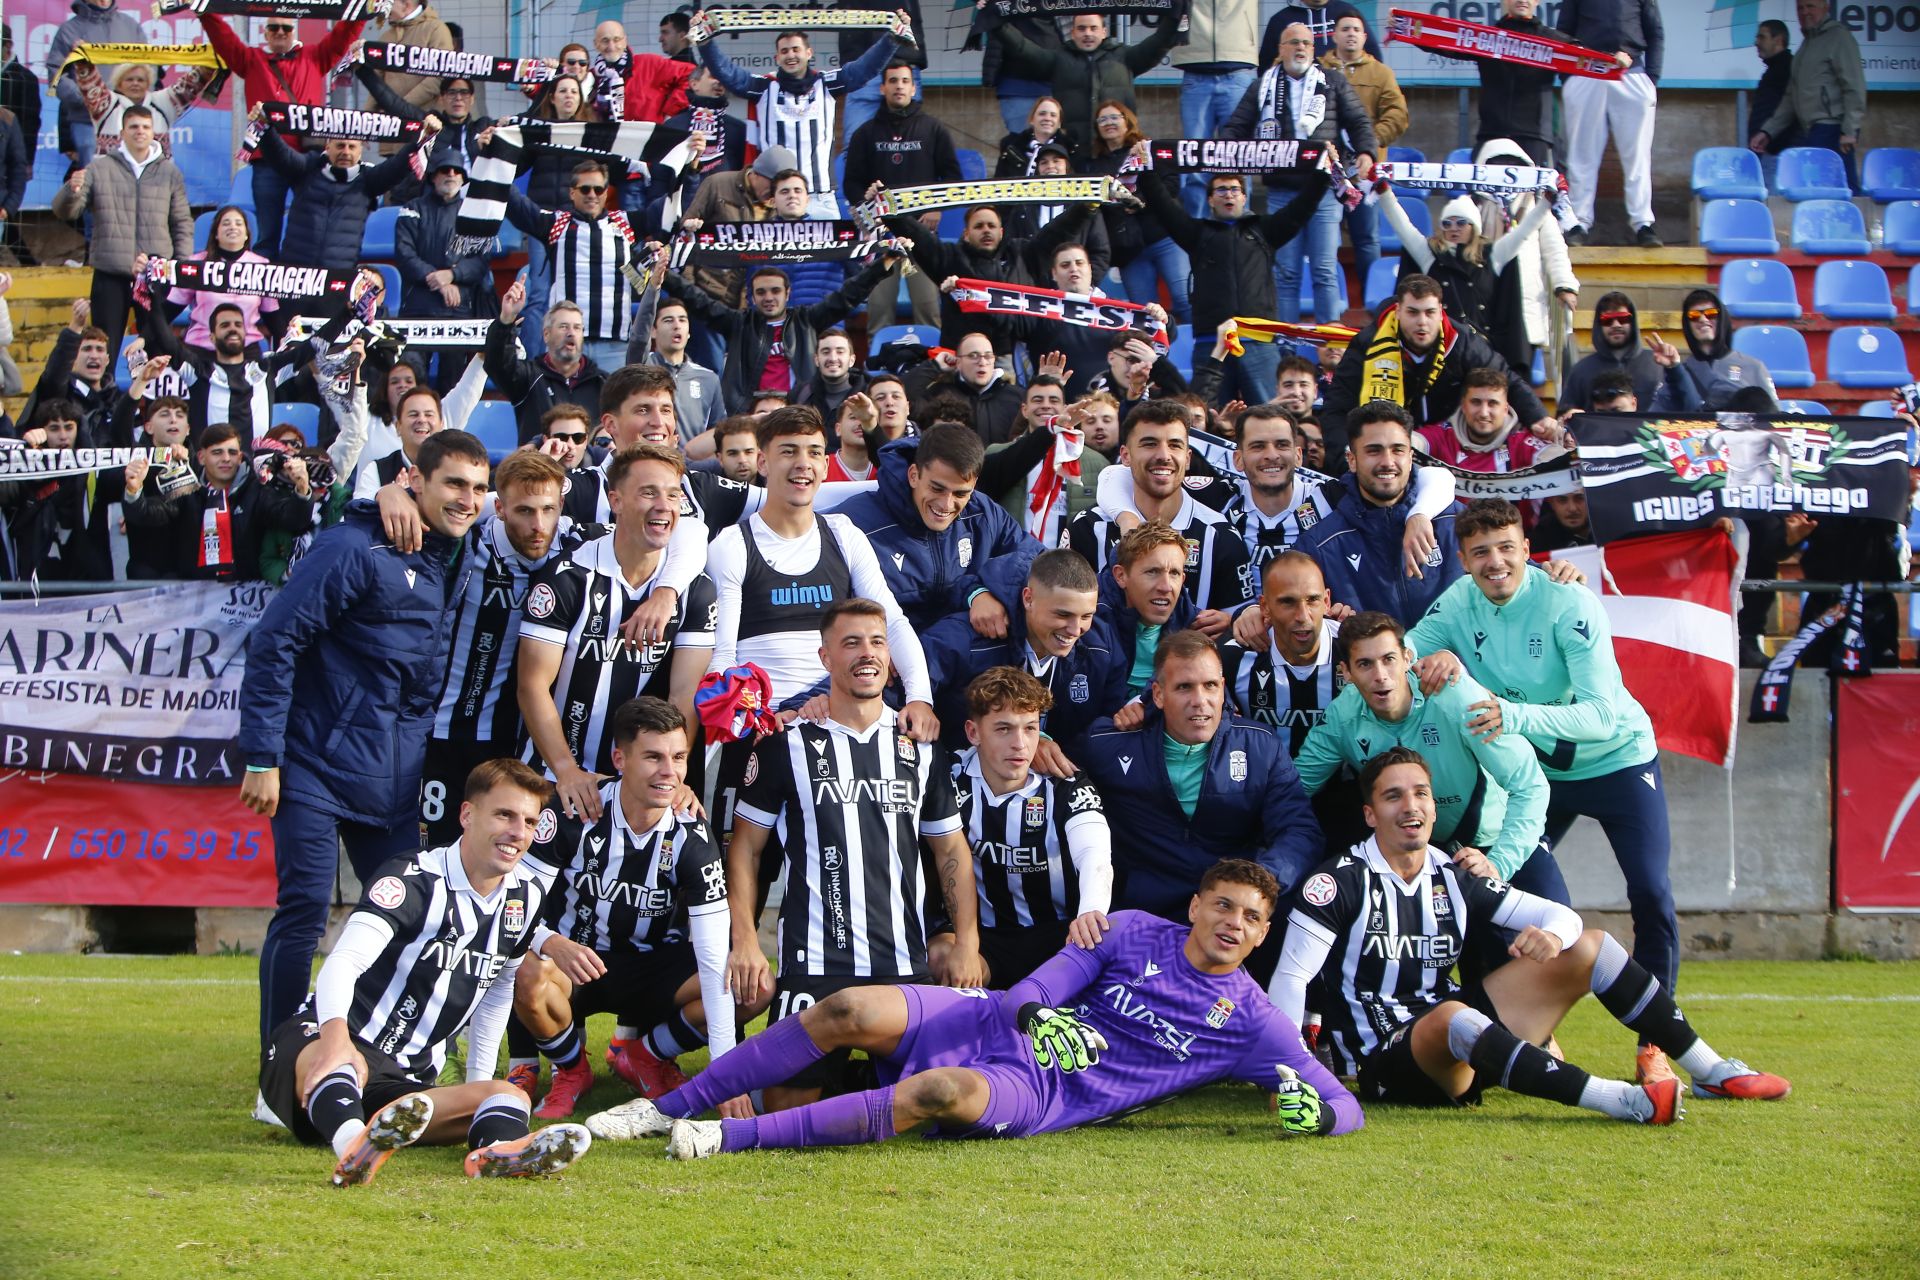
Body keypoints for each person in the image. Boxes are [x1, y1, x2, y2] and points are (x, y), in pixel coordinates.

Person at [586, 857, 1360, 1155]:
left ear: (1262, 937)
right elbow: (1037, 989)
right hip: (990, 1019)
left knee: (935, 1095)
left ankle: (726, 1141)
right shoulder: (1130, 930)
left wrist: (1315, 1113)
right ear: (1195, 906)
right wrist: (1035, 1017)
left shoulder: (1254, 1020)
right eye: (1223, 906)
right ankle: (664, 1108)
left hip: (1043, 1090)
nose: (1234, 924)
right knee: (846, 1008)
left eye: (1252, 918)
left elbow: (1341, 1105)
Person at [1269, 748, 1790, 1119]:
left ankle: (1711, 1071)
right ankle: (1620, 1100)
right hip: (1386, 1059)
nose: (1412, 807)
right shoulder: (1335, 882)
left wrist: (1554, 938)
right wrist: (1288, 1076)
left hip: (1465, 1036)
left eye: (1421, 794)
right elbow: (1292, 979)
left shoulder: (1454, 874)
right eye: (1393, 796)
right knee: (1454, 1016)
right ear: (1370, 813)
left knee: (1593, 948)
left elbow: (1564, 920)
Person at [1407, 499, 1681, 1081]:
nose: (1495, 562)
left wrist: (1512, 715)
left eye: (1507, 548)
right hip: (1539, 776)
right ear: (1462, 559)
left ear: (1529, 551)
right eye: (1480, 552)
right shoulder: (1459, 601)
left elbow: (1603, 716)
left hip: (1617, 762)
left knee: (1652, 891)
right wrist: (1435, 659)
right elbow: (1403, 653)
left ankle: (1653, 1043)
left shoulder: (1568, 599)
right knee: (1490, 886)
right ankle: (1522, 1031)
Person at [239, 430, 488, 1049]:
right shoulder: (354, 546)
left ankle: (382, 1050)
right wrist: (262, 756)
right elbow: (275, 641)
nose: (468, 499)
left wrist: (382, 494)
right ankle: (280, 1066)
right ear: (417, 480)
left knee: (406, 916)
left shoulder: (456, 546)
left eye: (479, 488)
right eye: (454, 483)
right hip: (313, 763)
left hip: (394, 775)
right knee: (303, 912)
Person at [257, 757, 593, 1185]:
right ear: (467, 815)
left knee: (508, 1096)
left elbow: (494, 997)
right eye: (504, 815)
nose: (517, 832)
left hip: (404, 1085)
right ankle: (353, 1147)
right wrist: (335, 1042)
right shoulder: (411, 878)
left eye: (528, 821)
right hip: (322, 1044)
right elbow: (342, 963)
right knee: (339, 1068)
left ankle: (497, 1153)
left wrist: (475, 1087)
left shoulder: (523, 900)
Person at [722, 597, 982, 1111]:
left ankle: (855, 1079)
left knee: (942, 1105)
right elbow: (745, 849)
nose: (867, 654)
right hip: (815, 964)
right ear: (825, 658)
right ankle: (790, 1074)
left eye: (877, 642)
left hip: (903, 964)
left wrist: (968, 943)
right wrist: (747, 939)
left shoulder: (922, 749)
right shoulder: (784, 744)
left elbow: (951, 849)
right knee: (784, 1117)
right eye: (851, 643)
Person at [512, 697, 755, 1115]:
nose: (670, 772)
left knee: (753, 986)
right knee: (526, 967)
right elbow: (513, 906)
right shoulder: (574, 811)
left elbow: (714, 955)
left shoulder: (692, 833)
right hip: (579, 963)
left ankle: (645, 1055)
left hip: (655, 969)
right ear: (619, 758)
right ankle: (571, 1069)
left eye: (678, 758)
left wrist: (723, 1073)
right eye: (653, 757)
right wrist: (552, 941)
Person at [518, 443, 715, 808]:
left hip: (640, 789)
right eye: (648, 492)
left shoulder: (695, 590)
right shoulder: (567, 577)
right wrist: (567, 770)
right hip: (556, 777)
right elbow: (532, 686)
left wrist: (673, 775)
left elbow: (684, 695)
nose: (664, 505)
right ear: (616, 501)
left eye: (673, 495)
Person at [1082, 630, 1323, 927]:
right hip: (1140, 916)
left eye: (1210, 686)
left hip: (1231, 915)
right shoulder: (1110, 742)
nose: (1200, 701)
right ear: (1157, 694)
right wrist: (1039, 739)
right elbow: (1051, 771)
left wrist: (1259, 880)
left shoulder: (1260, 746)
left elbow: (1299, 830)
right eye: (1184, 687)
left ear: (1223, 688)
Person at [1296, 611, 1548, 875]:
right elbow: (1295, 789)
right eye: (1365, 664)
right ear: (1346, 672)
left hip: (1499, 842)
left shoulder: (1457, 697)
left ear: (1407, 658)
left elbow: (1529, 785)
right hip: (1420, 853)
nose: (1380, 675)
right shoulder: (1341, 717)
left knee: (1559, 916)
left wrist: (1499, 865)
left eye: (1389, 659)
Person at [416, 451, 574, 844]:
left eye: (548, 510)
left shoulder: (577, 543)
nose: (539, 526)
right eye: (524, 511)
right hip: (453, 734)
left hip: (530, 740)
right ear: (499, 508)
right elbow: (412, 502)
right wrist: (392, 493)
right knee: (441, 852)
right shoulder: (467, 543)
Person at [923, 666, 1115, 986]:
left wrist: (1090, 912)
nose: (1020, 744)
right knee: (941, 957)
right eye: (1004, 729)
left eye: (1029, 728)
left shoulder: (1064, 782)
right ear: (973, 732)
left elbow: (1095, 854)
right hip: (983, 939)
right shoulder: (948, 778)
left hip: (1059, 934)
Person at [1138, 158, 1331, 405]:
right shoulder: (1196, 233)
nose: (1228, 195)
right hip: (1211, 341)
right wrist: (1144, 166)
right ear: (1210, 199)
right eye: (1221, 190)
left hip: (1259, 341)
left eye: (1234, 189)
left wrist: (1324, 171)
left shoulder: (1265, 230)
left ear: (1244, 197)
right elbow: (1163, 205)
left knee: (1269, 416)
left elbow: (1303, 206)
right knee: (1206, 419)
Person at [1222, 22, 1377, 325]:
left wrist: (1366, 152)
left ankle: (1330, 346)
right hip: (1283, 192)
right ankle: (1286, 347)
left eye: (1306, 42)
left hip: (1324, 191)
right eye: (1293, 42)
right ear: (1281, 49)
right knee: (1287, 273)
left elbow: (1359, 121)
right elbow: (1235, 127)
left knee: (1324, 269)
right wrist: (1222, 155)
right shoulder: (1262, 85)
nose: (1301, 48)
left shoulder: (1332, 81)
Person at [693, 10, 906, 219]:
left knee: (828, 255)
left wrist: (891, 40)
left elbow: (864, 69)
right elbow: (728, 73)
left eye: (796, 49)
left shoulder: (827, 83)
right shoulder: (763, 87)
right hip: (776, 200)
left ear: (809, 53)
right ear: (777, 57)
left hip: (821, 198)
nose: (791, 55)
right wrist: (706, 43)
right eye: (784, 51)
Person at [1067, 401, 1256, 635]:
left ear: (1187, 458)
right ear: (1125, 455)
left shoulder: (1220, 534)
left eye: (1174, 445)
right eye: (1149, 444)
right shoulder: (1088, 527)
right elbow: (1062, 606)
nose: (1164, 456)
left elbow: (1242, 619)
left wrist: (1233, 622)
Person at [832, 424, 1043, 632]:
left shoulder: (983, 512)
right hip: (886, 655)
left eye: (960, 493)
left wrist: (982, 590)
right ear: (913, 475)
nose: (946, 504)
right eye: (937, 488)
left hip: (963, 653)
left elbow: (1040, 562)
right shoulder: (851, 522)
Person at [1321, 275, 1550, 465]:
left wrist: (1538, 416)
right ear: (1398, 311)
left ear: (1441, 311)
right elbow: (1338, 406)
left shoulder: (1461, 341)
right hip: (1387, 451)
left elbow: (1505, 378)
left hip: (1446, 447)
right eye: (1413, 312)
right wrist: (1343, 455)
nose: (1422, 322)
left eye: (1430, 313)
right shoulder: (1368, 344)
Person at [194, 7, 363, 256]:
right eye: (274, 28)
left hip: (308, 158)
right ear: (266, 33)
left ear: (294, 30)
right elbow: (222, 37)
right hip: (267, 160)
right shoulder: (250, 60)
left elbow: (344, 32)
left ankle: (306, 288)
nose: (280, 32)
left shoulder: (315, 56)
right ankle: (266, 294)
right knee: (267, 232)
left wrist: (362, 10)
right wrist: (204, 12)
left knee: (312, 228)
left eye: (286, 27)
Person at [1296, 400, 1462, 623]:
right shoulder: (1320, 546)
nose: (1387, 462)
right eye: (1374, 451)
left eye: (1398, 450)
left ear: (1411, 457)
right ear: (1352, 460)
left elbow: (1519, 578)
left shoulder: (1457, 522)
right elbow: (1289, 608)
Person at [667, 257, 890, 414]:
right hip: (749, 411)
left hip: (798, 408)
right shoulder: (738, 323)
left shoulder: (806, 320)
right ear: (752, 297)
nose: (769, 297)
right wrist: (663, 274)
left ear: (787, 293)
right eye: (761, 292)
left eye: (775, 291)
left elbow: (847, 296)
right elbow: (696, 299)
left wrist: (883, 265)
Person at [51, 106, 192, 350]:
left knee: (154, 346)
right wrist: (71, 190)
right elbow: (66, 212)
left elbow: (182, 222)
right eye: (134, 126)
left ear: (153, 133)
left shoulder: (170, 173)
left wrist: (179, 266)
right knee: (105, 346)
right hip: (110, 272)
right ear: (121, 133)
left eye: (146, 127)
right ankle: (105, 389)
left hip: (154, 273)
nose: (140, 132)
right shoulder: (99, 168)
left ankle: (148, 390)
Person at [500, 153, 654, 372]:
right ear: (572, 193)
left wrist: (690, 166)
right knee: (566, 408)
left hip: (615, 346)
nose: (592, 195)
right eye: (585, 189)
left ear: (606, 192)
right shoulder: (556, 224)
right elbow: (515, 205)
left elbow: (667, 214)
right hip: (567, 344)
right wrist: (496, 156)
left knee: (616, 407)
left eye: (598, 189)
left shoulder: (625, 223)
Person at [845, 62, 961, 329]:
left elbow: (954, 177)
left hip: (922, 235)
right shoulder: (865, 133)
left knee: (928, 309)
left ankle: (931, 368)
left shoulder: (933, 129)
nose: (899, 85)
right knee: (878, 311)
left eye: (905, 80)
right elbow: (851, 182)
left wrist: (937, 208)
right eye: (893, 80)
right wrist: (866, 212)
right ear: (883, 87)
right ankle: (877, 370)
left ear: (913, 87)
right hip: (881, 236)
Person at [121, 422, 314, 580]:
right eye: (217, 452)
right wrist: (133, 488)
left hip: (245, 594)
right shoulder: (187, 488)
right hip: (193, 596)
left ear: (240, 457)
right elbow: (148, 514)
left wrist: (303, 488)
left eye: (232, 453)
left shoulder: (258, 490)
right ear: (201, 457)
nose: (226, 459)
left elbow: (293, 519)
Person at [1374, 183, 1556, 351]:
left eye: (1461, 222)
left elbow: (1524, 231)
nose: (1453, 228)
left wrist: (1547, 201)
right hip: (1440, 350)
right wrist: (1385, 193)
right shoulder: (1429, 254)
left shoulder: (1493, 254)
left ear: (1474, 227)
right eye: (1447, 223)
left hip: (1482, 350)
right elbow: (1403, 227)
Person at [256, 110, 428, 280]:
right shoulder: (308, 168)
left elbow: (399, 165)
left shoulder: (369, 179)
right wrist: (264, 125)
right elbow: (278, 154)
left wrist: (424, 136)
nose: (346, 152)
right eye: (340, 145)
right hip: (296, 277)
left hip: (338, 280)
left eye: (352, 147)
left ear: (360, 151)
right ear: (327, 147)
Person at [1557, 0, 1664, 248]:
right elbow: (1564, 31)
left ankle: (1643, 224)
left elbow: (1655, 32)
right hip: (1586, 71)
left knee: (1636, 154)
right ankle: (1578, 223)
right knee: (1582, 154)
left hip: (1631, 72)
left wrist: (1652, 78)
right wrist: (1569, 76)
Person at [988, 10, 1184, 143]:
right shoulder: (1058, 60)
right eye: (1081, 29)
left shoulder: (1125, 57)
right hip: (1074, 153)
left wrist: (1177, 13)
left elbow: (1160, 41)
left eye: (1093, 28)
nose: (1087, 34)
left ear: (1104, 31)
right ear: (1072, 33)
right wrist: (993, 18)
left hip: (1117, 150)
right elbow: (1021, 47)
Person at [1218, 552, 1341, 756]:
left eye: (1312, 600)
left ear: (1327, 601)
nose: (1302, 616)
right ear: (1264, 607)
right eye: (1288, 602)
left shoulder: (1353, 649)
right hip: (1264, 785)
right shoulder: (1235, 657)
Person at [1428, 0, 1566, 165]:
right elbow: (1443, 42)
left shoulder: (1554, 42)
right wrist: (1404, 26)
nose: (1522, 0)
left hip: (1535, 138)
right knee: (1485, 191)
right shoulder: (1486, 39)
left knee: (1532, 191)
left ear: (1537, 1)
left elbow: (1584, 58)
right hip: (1491, 134)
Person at [1748, 0, 1865, 194]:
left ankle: (1858, 224)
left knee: (1844, 190)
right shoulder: (1806, 46)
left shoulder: (1839, 37)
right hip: (1813, 130)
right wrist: (1767, 132)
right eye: (1800, 8)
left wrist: (1851, 130)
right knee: (1817, 191)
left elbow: (1854, 86)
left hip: (1833, 128)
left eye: (1811, 6)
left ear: (1826, 7)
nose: (1805, 12)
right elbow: (1790, 98)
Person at [1321, 13, 1406, 282]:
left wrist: (1368, 144)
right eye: (1344, 29)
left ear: (1364, 37)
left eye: (1357, 29)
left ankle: (1373, 298)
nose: (1351, 34)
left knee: (1367, 238)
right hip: (1325, 171)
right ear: (1333, 35)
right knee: (1325, 240)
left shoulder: (1381, 73)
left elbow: (1397, 115)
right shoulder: (1318, 68)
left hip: (1365, 173)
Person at [486, 283, 608, 445]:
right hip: (538, 467)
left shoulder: (602, 382)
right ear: (546, 334)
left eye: (577, 328)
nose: (571, 333)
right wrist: (506, 320)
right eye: (563, 327)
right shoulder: (528, 377)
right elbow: (497, 364)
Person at [1172, 0, 1260, 216]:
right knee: (1194, 160)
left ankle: (1240, 235)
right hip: (1194, 67)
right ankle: (1199, 236)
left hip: (1238, 68)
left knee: (1239, 160)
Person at [395, 150, 496, 327]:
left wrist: (452, 274)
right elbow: (404, 254)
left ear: (463, 179)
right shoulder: (412, 208)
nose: (451, 174)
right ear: (433, 177)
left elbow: (481, 261)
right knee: (410, 356)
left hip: (460, 305)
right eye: (445, 170)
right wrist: (438, 280)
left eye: (456, 171)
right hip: (417, 306)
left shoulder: (475, 212)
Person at [46, 0, 148, 171]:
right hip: (87, 122)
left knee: (132, 181)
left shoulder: (130, 26)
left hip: (128, 121)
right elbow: (57, 75)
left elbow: (148, 67)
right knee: (96, 184)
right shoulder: (69, 31)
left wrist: (135, 99)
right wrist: (90, 98)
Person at [1647, 288, 1777, 413]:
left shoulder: (1754, 367)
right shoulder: (1676, 372)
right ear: (1687, 325)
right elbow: (1656, 418)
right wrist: (1673, 367)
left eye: (1711, 314)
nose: (1703, 319)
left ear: (1722, 319)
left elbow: (1775, 420)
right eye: (1694, 316)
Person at [628, 278, 725, 445]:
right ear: (653, 331)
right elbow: (638, 339)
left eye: (682, 320)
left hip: (692, 466)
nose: (676, 325)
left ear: (688, 333)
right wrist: (653, 288)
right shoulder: (641, 368)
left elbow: (719, 432)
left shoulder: (709, 378)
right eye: (668, 320)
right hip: (650, 457)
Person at [1416, 367, 1565, 475]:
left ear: (1506, 408)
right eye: (1476, 402)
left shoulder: (1522, 442)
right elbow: (1411, 442)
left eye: (1492, 403)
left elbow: (1560, 461)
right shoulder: (1443, 436)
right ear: (1463, 405)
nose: (1483, 413)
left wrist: (1566, 440)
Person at [167, 206, 278, 351]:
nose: (232, 227)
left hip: (245, 348)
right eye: (226, 223)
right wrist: (143, 338)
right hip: (202, 347)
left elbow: (272, 316)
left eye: (238, 223)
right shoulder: (196, 264)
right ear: (216, 234)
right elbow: (169, 309)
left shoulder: (262, 266)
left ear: (246, 235)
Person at [909, 330, 1025, 446]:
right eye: (973, 356)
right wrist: (934, 366)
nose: (982, 362)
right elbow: (903, 399)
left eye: (988, 356)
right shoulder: (939, 394)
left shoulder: (1017, 397)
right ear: (958, 362)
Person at [1560, 290, 1660, 413]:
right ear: (1599, 324)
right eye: (1607, 320)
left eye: (1623, 319)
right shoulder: (1581, 370)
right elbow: (1563, 416)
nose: (1616, 324)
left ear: (1632, 321)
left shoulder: (1657, 364)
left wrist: (1674, 368)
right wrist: (1567, 416)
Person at [371, 0, 458, 115]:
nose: (383, 8)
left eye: (388, 2)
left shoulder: (436, 30)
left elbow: (440, 76)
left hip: (424, 120)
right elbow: (375, 82)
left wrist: (400, 107)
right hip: (390, 122)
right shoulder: (386, 36)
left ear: (405, 4)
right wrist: (368, 115)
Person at [1749, 19, 1797, 186]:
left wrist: (1772, 142)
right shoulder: (1773, 70)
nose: (1756, 42)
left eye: (1762, 37)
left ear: (1778, 40)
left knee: (1773, 208)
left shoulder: (1788, 69)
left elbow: (1789, 110)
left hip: (1777, 154)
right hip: (1768, 152)